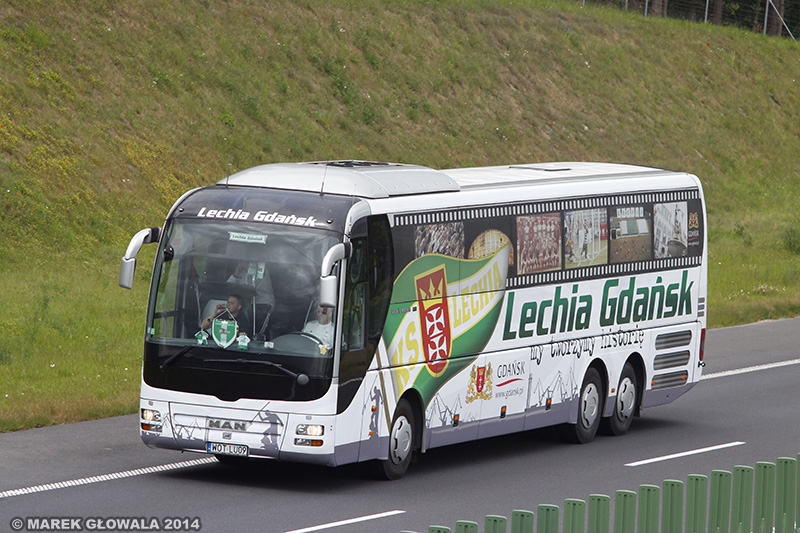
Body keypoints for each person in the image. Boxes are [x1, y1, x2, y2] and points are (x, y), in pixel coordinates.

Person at [227, 261, 275, 337]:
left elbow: (251, 288)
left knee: (256, 331)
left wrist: (248, 268)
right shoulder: (241, 272)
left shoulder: (261, 270)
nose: (242, 263)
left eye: (246, 260)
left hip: (262, 304)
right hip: (246, 303)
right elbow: (228, 286)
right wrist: (237, 272)